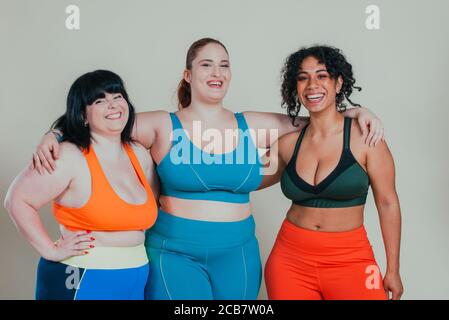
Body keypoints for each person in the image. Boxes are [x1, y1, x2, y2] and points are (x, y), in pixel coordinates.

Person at [31, 38, 384, 300]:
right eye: (206, 65)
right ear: (188, 74)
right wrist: (56, 132)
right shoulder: (160, 125)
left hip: (238, 254)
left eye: (224, 65)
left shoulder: (255, 124)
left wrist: (357, 111)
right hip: (174, 253)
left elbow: (319, 117)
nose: (216, 73)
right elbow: (101, 117)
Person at [261, 46, 403, 300]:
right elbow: (242, 179)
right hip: (289, 261)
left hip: (351, 259)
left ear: (338, 84)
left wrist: (393, 269)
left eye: (322, 76)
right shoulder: (287, 145)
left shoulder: (367, 139)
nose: (312, 84)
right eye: (303, 78)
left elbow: (388, 202)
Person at [4, 70, 158, 300]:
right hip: (81, 276)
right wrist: (51, 250)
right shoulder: (69, 156)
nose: (113, 104)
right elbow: (16, 200)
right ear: (83, 115)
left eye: (117, 96)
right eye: (99, 100)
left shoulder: (139, 154)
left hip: (135, 274)